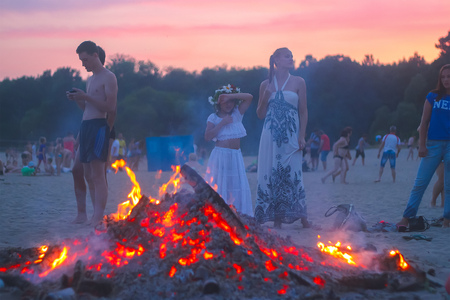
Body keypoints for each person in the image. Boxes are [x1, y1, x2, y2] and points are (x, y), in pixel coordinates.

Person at [255, 47, 309, 229]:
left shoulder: (299, 82)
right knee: (270, 171)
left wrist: (302, 135)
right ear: (276, 60)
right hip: (270, 135)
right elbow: (260, 114)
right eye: (287, 56)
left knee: (294, 171)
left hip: (291, 134)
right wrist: (265, 96)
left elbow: (303, 111)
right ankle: (275, 216)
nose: (291, 59)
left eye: (292, 56)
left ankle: (302, 216)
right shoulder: (265, 84)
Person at [67, 41, 117, 225]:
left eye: (85, 59)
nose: (83, 64)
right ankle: (82, 214)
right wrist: (78, 99)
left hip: (98, 127)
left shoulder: (108, 77)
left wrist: (86, 96)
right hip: (86, 126)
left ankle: (97, 217)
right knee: (76, 170)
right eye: (81, 60)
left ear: (95, 55)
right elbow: (88, 108)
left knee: (97, 174)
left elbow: (110, 108)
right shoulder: (91, 79)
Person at [397, 64, 450, 228]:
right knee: (420, 183)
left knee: (449, 185)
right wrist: (421, 145)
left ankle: (447, 219)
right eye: (443, 77)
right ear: (440, 79)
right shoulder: (432, 96)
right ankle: (407, 217)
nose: (446, 80)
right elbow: (424, 122)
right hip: (432, 145)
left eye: (449, 77)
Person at [204, 84, 253, 216]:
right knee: (221, 184)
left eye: (231, 101)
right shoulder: (213, 118)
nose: (228, 104)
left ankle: (238, 213)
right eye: (225, 102)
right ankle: (220, 213)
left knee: (235, 183)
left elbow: (249, 97)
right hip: (220, 155)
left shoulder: (237, 113)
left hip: (236, 156)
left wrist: (230, 95)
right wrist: (222, 123)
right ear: (218, 103)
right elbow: (208, 137)